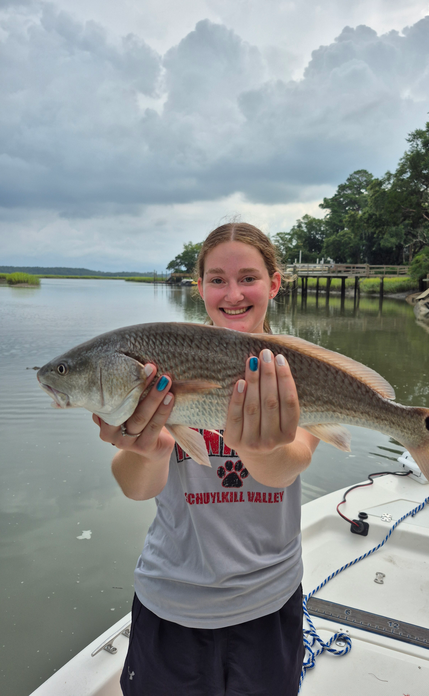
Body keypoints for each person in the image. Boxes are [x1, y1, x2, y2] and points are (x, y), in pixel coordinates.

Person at [93, 222, 319, 695]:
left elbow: (285, 467)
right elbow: (137, 487)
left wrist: (263, 447)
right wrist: (152, 448)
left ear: (274, 284)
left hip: (268, 602)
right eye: (217, 279)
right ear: (199, 289)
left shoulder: (297, 371)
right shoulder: (158, 360)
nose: (233, 293)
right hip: (170, 603)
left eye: (248, 278)